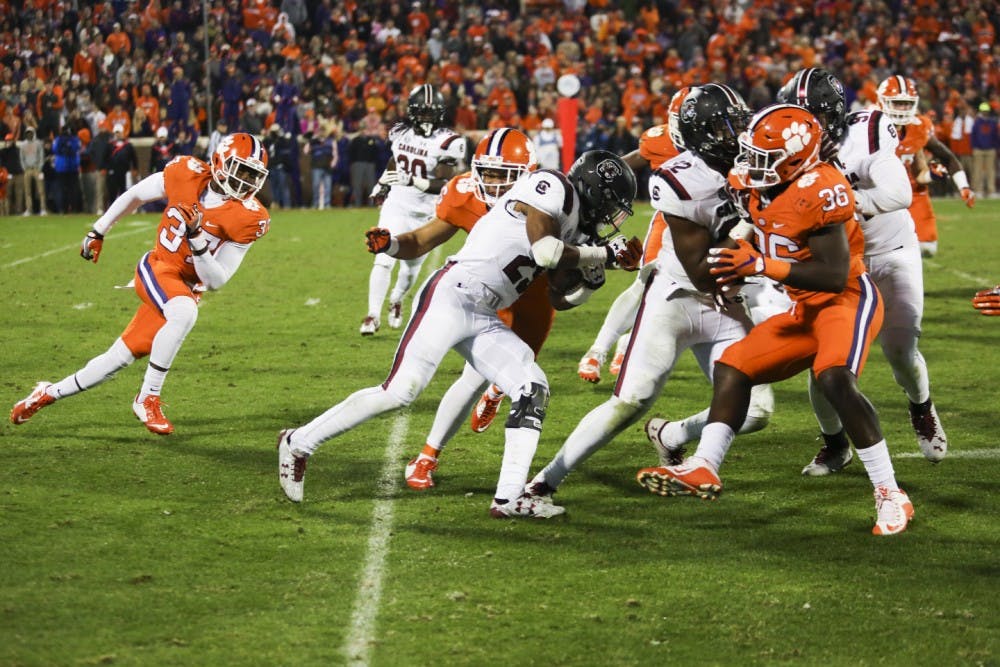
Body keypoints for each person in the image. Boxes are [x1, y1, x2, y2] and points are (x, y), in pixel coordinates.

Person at [277, 149, 640, 518]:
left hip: (483, 311)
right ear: (593, 189)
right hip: (453, 294)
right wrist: (601, 255)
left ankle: (509, 498)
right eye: (611, 205)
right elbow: (545, 252)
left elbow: (560, 299)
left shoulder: (577, 228)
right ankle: (298, 441)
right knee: (401, 391)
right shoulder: (553, 186)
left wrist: (592, 281)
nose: (611, 218)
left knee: (532, 387)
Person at [636, 104, 914, 536]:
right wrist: (728, 259)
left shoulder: (821, 187)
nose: (751, 164)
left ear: (798, 157)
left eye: (764, 157)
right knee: (734, 366)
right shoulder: (754, 182)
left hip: (846, 299)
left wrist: (759, 265)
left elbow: (833, 273)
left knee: (835, 378)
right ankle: (704, 466)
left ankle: (890, 494)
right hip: (803, 309)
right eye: (751, 153)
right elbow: (750, 224)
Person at [527, 84, 774, 509]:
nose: (735, 132)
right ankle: (544, 481)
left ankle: (675, 437)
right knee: (630, 401)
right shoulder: (679, 178)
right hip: (679, 297)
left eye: (736, 122)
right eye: (723, 125)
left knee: (757, 411)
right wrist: (753, 227)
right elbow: (703, 266)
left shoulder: (753, 164)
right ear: (700, 133)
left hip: (728, 300)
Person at [10, 133, 271, 436]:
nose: (247, 181)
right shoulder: (185, 172)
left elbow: (216, 280)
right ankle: (148, 397)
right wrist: (99, 230)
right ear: (218, 161)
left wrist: (197, 238)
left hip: (184, 288)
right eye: (242, 170)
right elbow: (135, 194)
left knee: (115, 360)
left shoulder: (250, 218)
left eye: (254, 174)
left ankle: (47, 393)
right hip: (157, 268)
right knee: (184, 312)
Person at [781, 69, 948, 470]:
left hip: (891, 249)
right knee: (824, 362)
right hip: (838, 263)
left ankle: (921, 407)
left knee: (899, 349)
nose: (801, 126)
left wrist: (840, 199)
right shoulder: (785, 145)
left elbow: (898, 193)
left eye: (811, 115)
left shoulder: (869, 129)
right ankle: (836, 443)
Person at [392, 129, 560, 490]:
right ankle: (427, 455)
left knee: (521, 372)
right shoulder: (465, 192)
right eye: (490, 173)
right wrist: (391, 244)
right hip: (490, 295)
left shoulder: (551, 197)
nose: (495, 183)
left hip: (534, 295)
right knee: (471, 376)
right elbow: (424, 239)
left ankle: (496, 391)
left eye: (505, 175)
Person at [577, 86, 689, 383]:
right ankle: (598, 350)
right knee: (646, 283)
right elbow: (622, 165)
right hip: (670, 221)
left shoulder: (728, 143)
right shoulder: (661, 139)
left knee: (689, 295)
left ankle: (628, 343)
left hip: (715, 227)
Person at [360, 84, 466, 335]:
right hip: (397, 203)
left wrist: (414, 181)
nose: (426, 118)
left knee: (410, 267)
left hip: (427, 212)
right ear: (411, 111)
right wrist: (382, 186)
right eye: (422, 112)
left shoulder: (449, 141)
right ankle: (372, 315)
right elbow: (395, 161)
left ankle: (396, 299)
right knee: (383, 258)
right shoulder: (400, 132)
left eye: (431, 113)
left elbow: (444, 183)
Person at [876, 75, 974, 258]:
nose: (903, 108)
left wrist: (958, 184)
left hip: (912, 192)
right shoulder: (868, 126)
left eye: (907, 103)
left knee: (928, 249)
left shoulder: (919, 127)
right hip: (877, 193)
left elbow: (945, 159)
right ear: (882, 101)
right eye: (898, 103)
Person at [970, 102, 997, 200]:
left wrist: (995, 147)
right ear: (981, 111)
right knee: (978, 171)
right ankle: (978, 190)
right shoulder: (977, 123)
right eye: (983, 111)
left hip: (990, 149)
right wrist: (975, 147)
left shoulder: (992, 123)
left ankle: (991, 191)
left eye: (986, 111)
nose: (985, 113)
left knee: (991, 171)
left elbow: (995, 136)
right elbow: (973, 137)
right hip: (979, 150)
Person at [18, 127, 46, 215]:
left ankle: (43, 209)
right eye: (27, 133)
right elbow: (21, 158)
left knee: (41, 190)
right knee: (27, 191)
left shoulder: (38, 143)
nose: (29, 134)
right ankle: (29, 209)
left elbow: (41, 156)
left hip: (36, 168)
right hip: (27, 169)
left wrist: (39, 167)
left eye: (30, 133)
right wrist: (24, 168)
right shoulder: (23, 145)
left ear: (33, 133)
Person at [106, 123, 138, 201]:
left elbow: (133, 158)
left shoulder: (128, 145)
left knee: (124, 192)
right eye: (116, 132)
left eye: (119, 132)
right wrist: (105, 168)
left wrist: (135, 168)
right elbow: (105, 158)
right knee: (112, 191)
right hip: (113, 172)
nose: (118, 134)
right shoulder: (109, 145)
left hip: (124, 171)